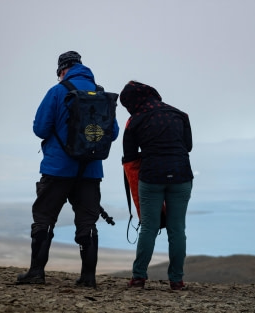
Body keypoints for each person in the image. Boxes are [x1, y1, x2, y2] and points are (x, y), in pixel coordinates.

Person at [16, 51, 119, 288]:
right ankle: (88, 277)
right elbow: (112, 133)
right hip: (90, 171)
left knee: (44, 217)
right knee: (87, 222)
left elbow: (40, 129)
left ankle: (36, 271)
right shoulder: (101, 95)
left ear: (63, 70)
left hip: (57, 169)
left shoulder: (57, 92)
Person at [120, 81, 193, 290]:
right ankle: (177, 280)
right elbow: (187, 146)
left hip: (151, 177)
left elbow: (130, 157)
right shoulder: (180, 115)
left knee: (149, 228)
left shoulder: (134, 121)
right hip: (181, 176)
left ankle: (138, 277)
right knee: (177, 229)